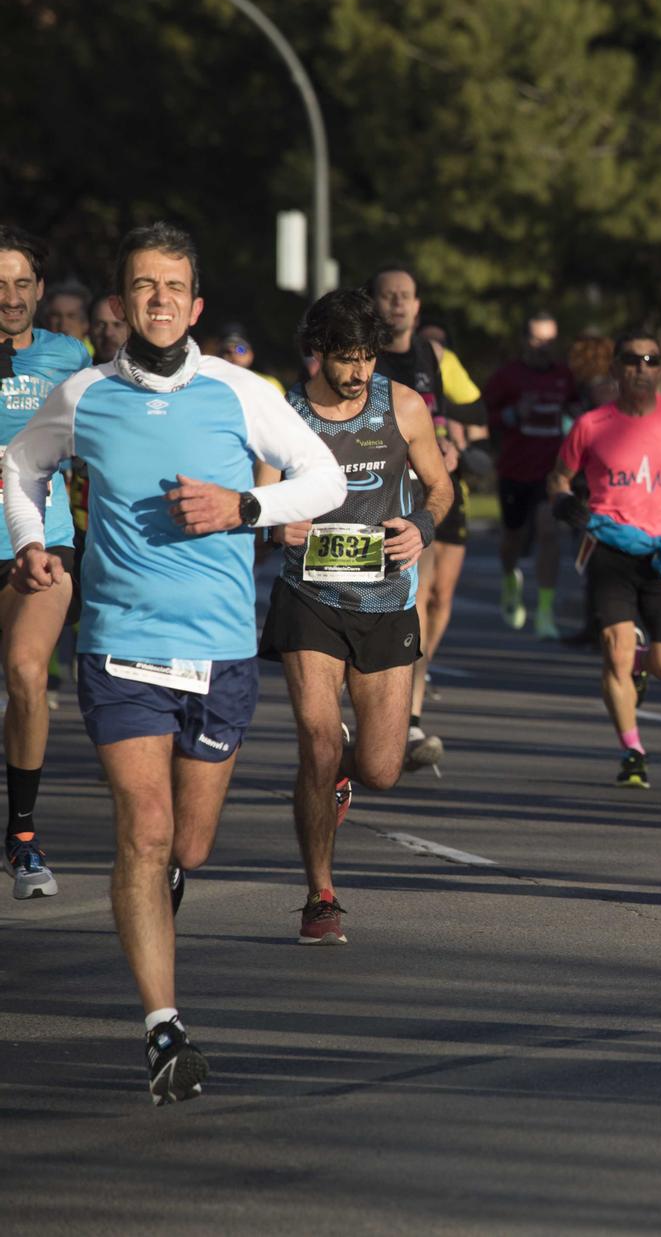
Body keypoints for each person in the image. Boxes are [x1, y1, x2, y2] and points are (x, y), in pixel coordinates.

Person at [4, 221, 344, 1104]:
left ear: (195, 304)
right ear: (123, 303)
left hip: (222, 649)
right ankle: (164, 1027)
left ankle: (159, 889)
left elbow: (326, 478)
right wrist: (34, 540)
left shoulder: (243, 392)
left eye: (174, 288)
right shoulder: (82, 394)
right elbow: (21, 464)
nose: (158, 301)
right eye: (142, 287)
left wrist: (247, 504)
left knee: (187, 842)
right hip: (118, 645)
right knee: (144, 830)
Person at [261, 289, 452, 944]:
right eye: (345, 359)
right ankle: (321, 895)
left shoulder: (402, 404)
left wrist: (422, 526)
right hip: (309, 595)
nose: (357, 373)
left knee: (382, 769)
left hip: (386, 598)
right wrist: (276, 524)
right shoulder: (284, 414)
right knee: (315, 739)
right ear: (318, 352)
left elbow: (442, 485)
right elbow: (260, 497)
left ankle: (343, 771)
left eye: (367, 358)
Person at [549, 333, 661, 790]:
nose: (641, 367)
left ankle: (639, 666)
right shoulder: (592, 424)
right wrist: (564, 502)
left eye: (651, 360)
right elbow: (560, 476)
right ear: (616, 369)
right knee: (615, 650)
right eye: (631, 360)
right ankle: (633, 751)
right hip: (609, 548)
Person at [0, 227, 93, 901]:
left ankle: (24, 837)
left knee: (29, 671)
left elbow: (94, 437)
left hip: (41, 543)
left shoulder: (69, 356)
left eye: (23, 283)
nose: (11, 297)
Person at [370, 267, 486, 768]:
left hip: (431, 492)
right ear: (373, 303)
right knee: (383, 599)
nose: (398, 304)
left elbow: (478, 414)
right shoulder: (361, 358)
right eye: (388, 296)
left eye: (406, 296)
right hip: (377, 492)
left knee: (425, 598)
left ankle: (411, 716)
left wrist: (452, 443)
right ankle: (376, 708)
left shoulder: (434, 356)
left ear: (418, 306)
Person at [488, 311, 575, 639]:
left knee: (548, 532)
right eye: (538, 340)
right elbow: (483, 414)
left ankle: (545, 611)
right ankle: (510, 578)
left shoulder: (565, 376)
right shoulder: (508, 376)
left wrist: (574, 417)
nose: (544, 347)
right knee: (513, 536)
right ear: (525, 341)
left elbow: (578, 407)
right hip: (514, 469)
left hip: (550, 471)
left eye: (550, 340)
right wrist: (510, 414)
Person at [206, 324, 286, 391]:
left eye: (240, 349)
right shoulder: (211, 384)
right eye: (227, 351)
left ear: (250, 354)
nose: (234, 355)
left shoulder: (269, 384)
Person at [88, 293, 128, 363]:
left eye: (117, 325)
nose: (108, 333)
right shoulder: (77, 373)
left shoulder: (150, 373)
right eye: (100, 325)